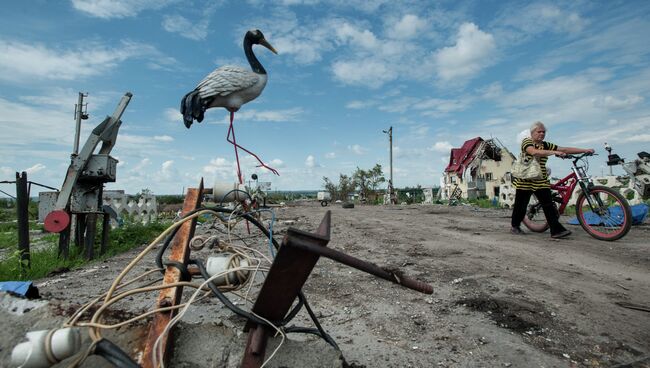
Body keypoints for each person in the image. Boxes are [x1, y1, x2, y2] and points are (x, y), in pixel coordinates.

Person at [511, 121, 595, 238]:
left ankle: (556, 230)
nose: (541, 134)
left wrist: (584, 150)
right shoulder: (527, 142)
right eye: (539, 131)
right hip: (525, 179)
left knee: (548, 204)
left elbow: (564, 149)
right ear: (532, 133)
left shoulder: (546, 145)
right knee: (521, 205)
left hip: (541, 179)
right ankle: (515, 226)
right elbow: (534, 152)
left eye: (543, 132)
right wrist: (554, 152)